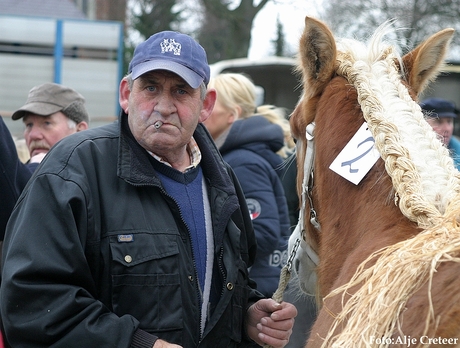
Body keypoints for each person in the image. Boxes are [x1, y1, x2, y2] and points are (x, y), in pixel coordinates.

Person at [1, 31, 296, 348]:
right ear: (126, 93)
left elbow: (223, 286)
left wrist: (249, 314)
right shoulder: (72, 170)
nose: (164, 106)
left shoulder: (221, 179)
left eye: (181, 91)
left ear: (206, 105)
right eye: (151, 87)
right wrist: (137, 344)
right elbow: (31, 301)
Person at [203, 73, 291, 298]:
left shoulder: (242, 162)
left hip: (255, 290)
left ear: (233, 114)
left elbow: (263, 232)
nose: (200, 111)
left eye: (210, 104)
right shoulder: (237, 156)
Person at [0, 83, 89, 242]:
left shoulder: (100, 182)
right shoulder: (16, 177)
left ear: (80, 130)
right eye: (29, 125)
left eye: (46, 123)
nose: (33, 135)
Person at [420, 97, 460, 170]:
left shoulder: (458, 149)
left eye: (449, 121)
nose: (447, 128)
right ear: (423, 123)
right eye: (439, 122)